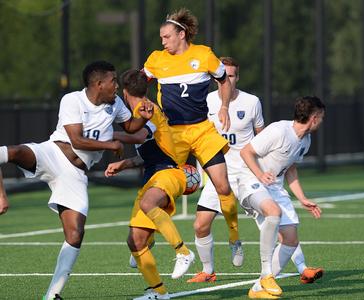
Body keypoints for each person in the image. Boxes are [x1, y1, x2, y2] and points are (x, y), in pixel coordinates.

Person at [0, 61, 154, 300]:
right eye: (113, 81)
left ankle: (52, 295)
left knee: (75, 234)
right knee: (16, 152)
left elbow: (132, 128)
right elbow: (77, 140)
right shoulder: (72, 99)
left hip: (75, 175)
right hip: (53, 154)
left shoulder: (115, 104)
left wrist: (143, 118)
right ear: (98, 84)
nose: (117, 86)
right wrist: (110, 144)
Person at [142, 8, 243, 261]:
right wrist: (140, 108)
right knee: (160, 191)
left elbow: (224, 80)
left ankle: (234, 238)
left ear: (181, 34)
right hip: (172, 133)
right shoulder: (156, 59)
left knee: (223, 186)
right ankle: (147, 238)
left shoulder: (204, 55)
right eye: (161, 37)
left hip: (202, 130)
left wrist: (224, 107)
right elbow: (137, 85)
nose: (162, 42)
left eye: (166, 37)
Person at [104, 69, 194, 300]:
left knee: (148, 203)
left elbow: (137, 137)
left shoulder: (147, 110)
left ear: (125, 92)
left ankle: (183, 252)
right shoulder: (141, 110)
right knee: (135, 241)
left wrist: (104, 135)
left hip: (168, 173)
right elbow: (147, 151)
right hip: (152, 175)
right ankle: (159, 292)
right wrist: (124, 164)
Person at [238, 96, 325, 298]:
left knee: (291, 240)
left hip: (274, 188)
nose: (322, 121)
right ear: (314, 117)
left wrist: (302, 198)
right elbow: (246, 152)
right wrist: (260, 174)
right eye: (321, 117)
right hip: (251, 181)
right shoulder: (279, 130)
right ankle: (267, 274)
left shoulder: (306, 140)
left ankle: (258, 288)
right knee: (273, 212)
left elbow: (290, 169)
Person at [187, 57, 264, 282]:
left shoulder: (252, 102)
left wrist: (267, 169)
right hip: (217, 172)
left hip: (247, 174)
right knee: (200, 225)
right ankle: (208, 270)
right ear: (215, 79)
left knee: (272, 218)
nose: (227, 80)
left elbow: (263, 137)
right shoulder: (205, 101)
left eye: (232, 76)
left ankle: (292, 268)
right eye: (224, 76)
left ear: (237, 78)